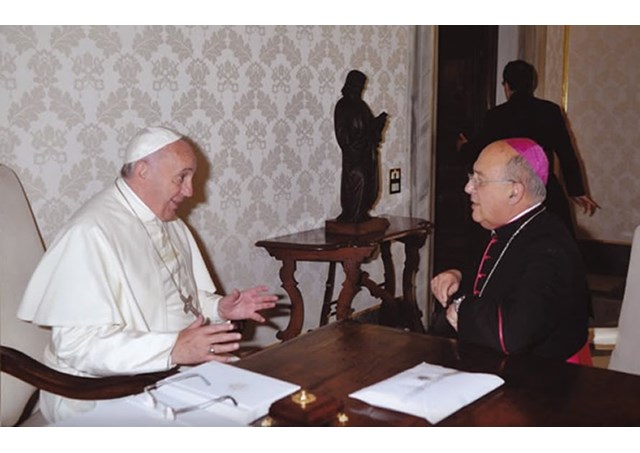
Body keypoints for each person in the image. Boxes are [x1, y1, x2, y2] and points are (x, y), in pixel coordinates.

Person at [18, 126, 278, 422]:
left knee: (276, 405)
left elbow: (177, 300)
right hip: (98, 391)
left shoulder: (168, 222)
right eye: (182, 177)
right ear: (143, 171)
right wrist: (173, 349)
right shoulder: (90, 233)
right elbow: (78, 347)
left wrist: (218, 307)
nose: (190, 190)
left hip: (168, 375)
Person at [430, 138, 592, 364]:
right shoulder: (507, 225)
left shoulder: (550, 245)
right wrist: (460, 276)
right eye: (471, 178)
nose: (468, 188)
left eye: (479, 180)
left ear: (514, 192)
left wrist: (462, 309)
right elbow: (501, 273)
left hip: (546, 382)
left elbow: (514, 334)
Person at [457, 60, 598, 235]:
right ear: (532, 84)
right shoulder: (550, 111)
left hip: (508, 190)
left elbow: (479, 151)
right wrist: (577, 190)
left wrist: (463, 148)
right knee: (553, 240)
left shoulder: (497, 115)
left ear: (506, 85)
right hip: (544, 187)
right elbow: (566, 153)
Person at [334, 69, 388, 223]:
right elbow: (342, 136)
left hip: (367, 154)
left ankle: (362, 213)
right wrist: (359, 139)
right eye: (358, 86)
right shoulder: (343, 105)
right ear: (350, 85)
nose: (359, 90)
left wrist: (378, 123)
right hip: (354, 157)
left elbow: (371, 128)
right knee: (358, 179)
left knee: (371, 183)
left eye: (362, 87)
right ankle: (352, 213)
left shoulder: (362, 106)